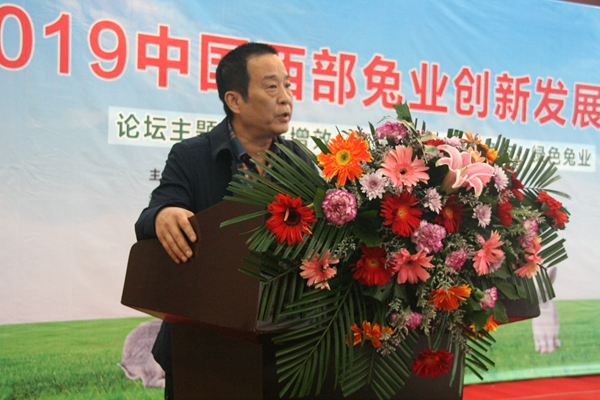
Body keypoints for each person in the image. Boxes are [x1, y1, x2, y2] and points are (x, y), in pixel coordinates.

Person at [134, 42, 312, 399]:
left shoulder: (298, 160)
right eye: (272, 87)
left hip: (285, 343)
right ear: (234, 100)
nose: (286, 98)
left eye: (288, 85)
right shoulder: (191, 155)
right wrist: (163, 215)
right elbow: (152, 216)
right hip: (203, 346)